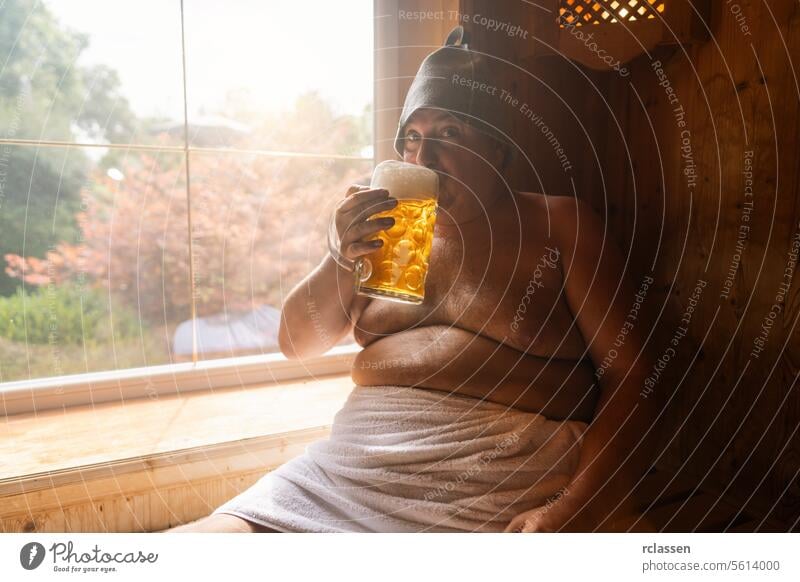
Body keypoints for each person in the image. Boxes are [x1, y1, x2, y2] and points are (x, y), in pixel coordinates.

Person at [167, 27, 658, 534]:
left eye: (449, 134)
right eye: (413, 138)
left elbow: (634, 378)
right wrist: (340, 255)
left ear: (500, 150)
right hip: (350, 466)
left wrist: (576, 508)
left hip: (493, 477)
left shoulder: (558, 225)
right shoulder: (388, 234)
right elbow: (297, 344)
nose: (424, 158)